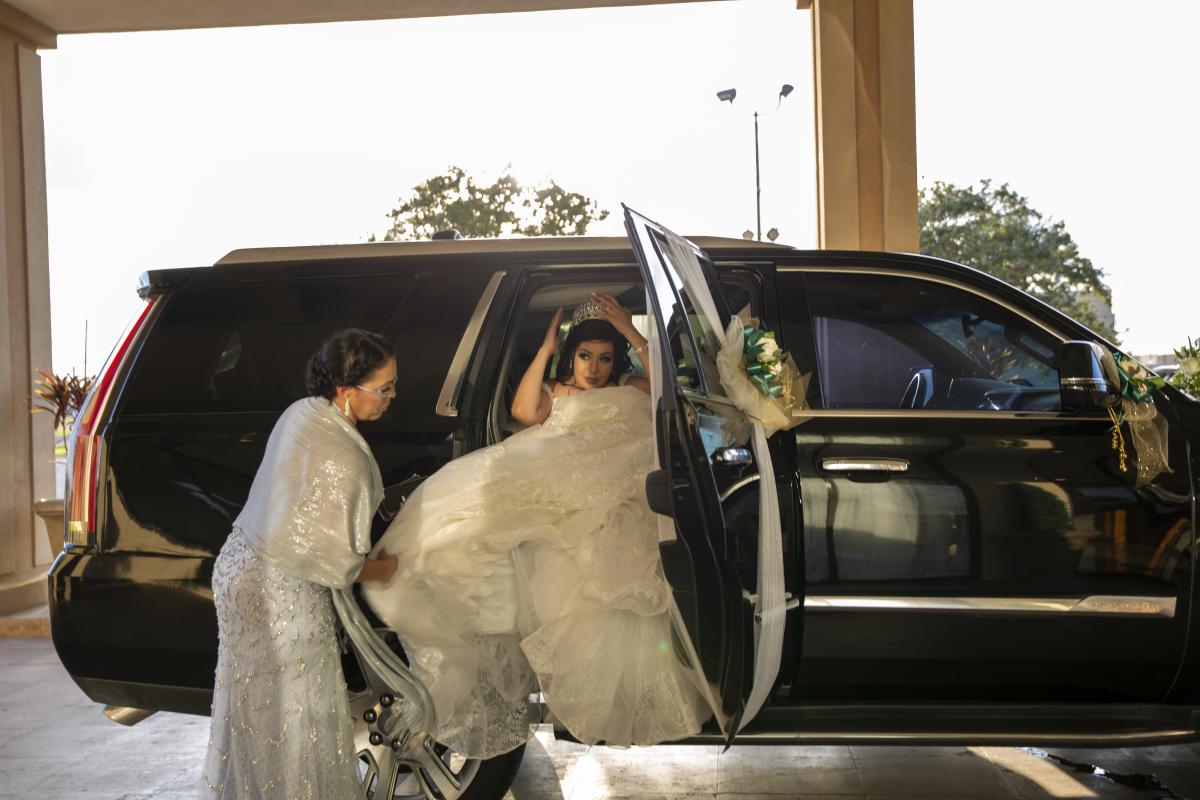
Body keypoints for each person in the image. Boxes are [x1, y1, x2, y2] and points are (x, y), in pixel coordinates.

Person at [362, 293, 711, 759]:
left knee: (599, 546)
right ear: (571, 355)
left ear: (618, 360)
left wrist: (631, 331)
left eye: (605, 358)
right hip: (560, 474)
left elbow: (670, 397)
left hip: (612, 479)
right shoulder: (557, 391)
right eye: (584, 356)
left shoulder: (631, 385)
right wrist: (546, 348)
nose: (594, 369)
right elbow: (525, 412)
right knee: (466, 517)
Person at [201, 329, 400, 800]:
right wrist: (385, 568)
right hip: (281, 594)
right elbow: (340, 566)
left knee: (250, 712)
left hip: (236, 569)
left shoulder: (301, 413)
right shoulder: (346, 457)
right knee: (300, 723)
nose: (393, 397)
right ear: (346, 390)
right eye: (385, 388)